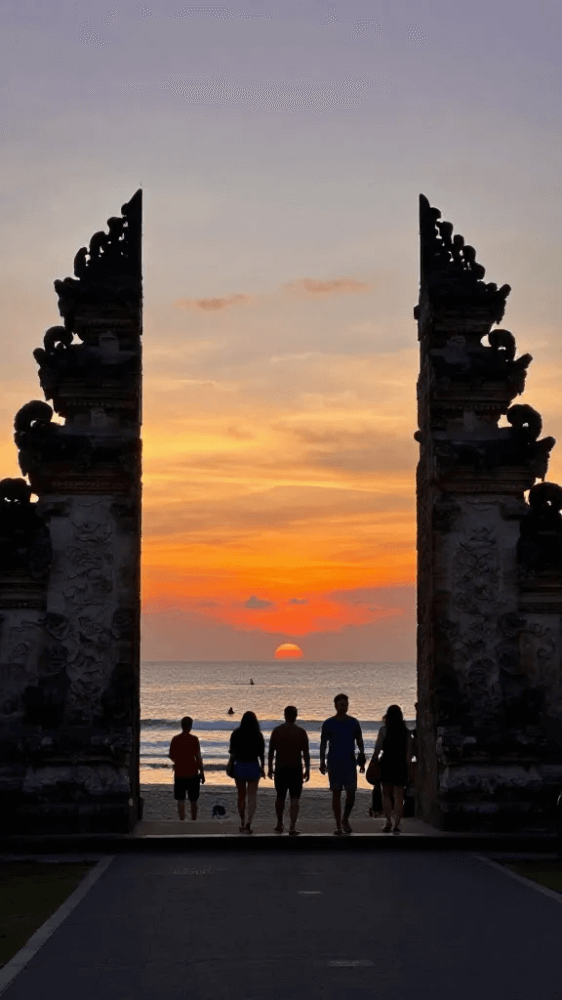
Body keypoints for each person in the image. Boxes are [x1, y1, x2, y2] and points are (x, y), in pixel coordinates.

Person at [320, 693, 365, 835]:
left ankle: (345, 818)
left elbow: (360, 741)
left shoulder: (354, 722)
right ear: (335, 706)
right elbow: (322, 744)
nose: (343, 707)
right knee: (336, 793)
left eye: (345, 704)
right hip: (334, 761)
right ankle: (339, 825)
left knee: (351, 792)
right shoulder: (328, 723)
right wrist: (321, 762)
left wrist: (362, 758)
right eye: (340, 704)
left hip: (350, 762)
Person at [268, 705, 310, 836]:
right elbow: (306, 753)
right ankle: (292, 826)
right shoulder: (301, 732)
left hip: (280, 768)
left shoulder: (277, 731)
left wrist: (269, 767)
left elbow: (270, 752)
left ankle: (280, 823)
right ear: (296, 716)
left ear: (285, 715)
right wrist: (307, 768)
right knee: (295, 799)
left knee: (280, 797)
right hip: (296, 768)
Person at [372, 704, 412, 834]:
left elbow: (378, 748)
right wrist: (409, 768)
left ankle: (388, 821)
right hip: (400, 764)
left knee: (386, 795)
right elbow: (408, 753)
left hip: (387, 763)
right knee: (399, 796)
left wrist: (373, 760)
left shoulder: (384, 730)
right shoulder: (406, 732)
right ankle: (397, 824)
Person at [228, 710, 265, 834]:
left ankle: (242, 821)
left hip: (240, 765)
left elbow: (232, 753)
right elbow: (261, 754)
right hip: (253, 765)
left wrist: (230, 765)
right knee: (252, 796)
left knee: (241, 795)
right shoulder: (258, 735)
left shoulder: (236, 734)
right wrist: (263, 767)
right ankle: (249, 821)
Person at [168, 716, 205, 821]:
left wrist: (178, 761)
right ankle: (193, 820)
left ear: (181, 725)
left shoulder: (175, 739)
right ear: (190, 726)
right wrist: (202, 772)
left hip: (179, 772)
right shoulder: (194, 739)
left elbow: (171, 755)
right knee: (193, 800)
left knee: (180, 799)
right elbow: (198, 757)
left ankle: (182, 820)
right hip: (193, 772)